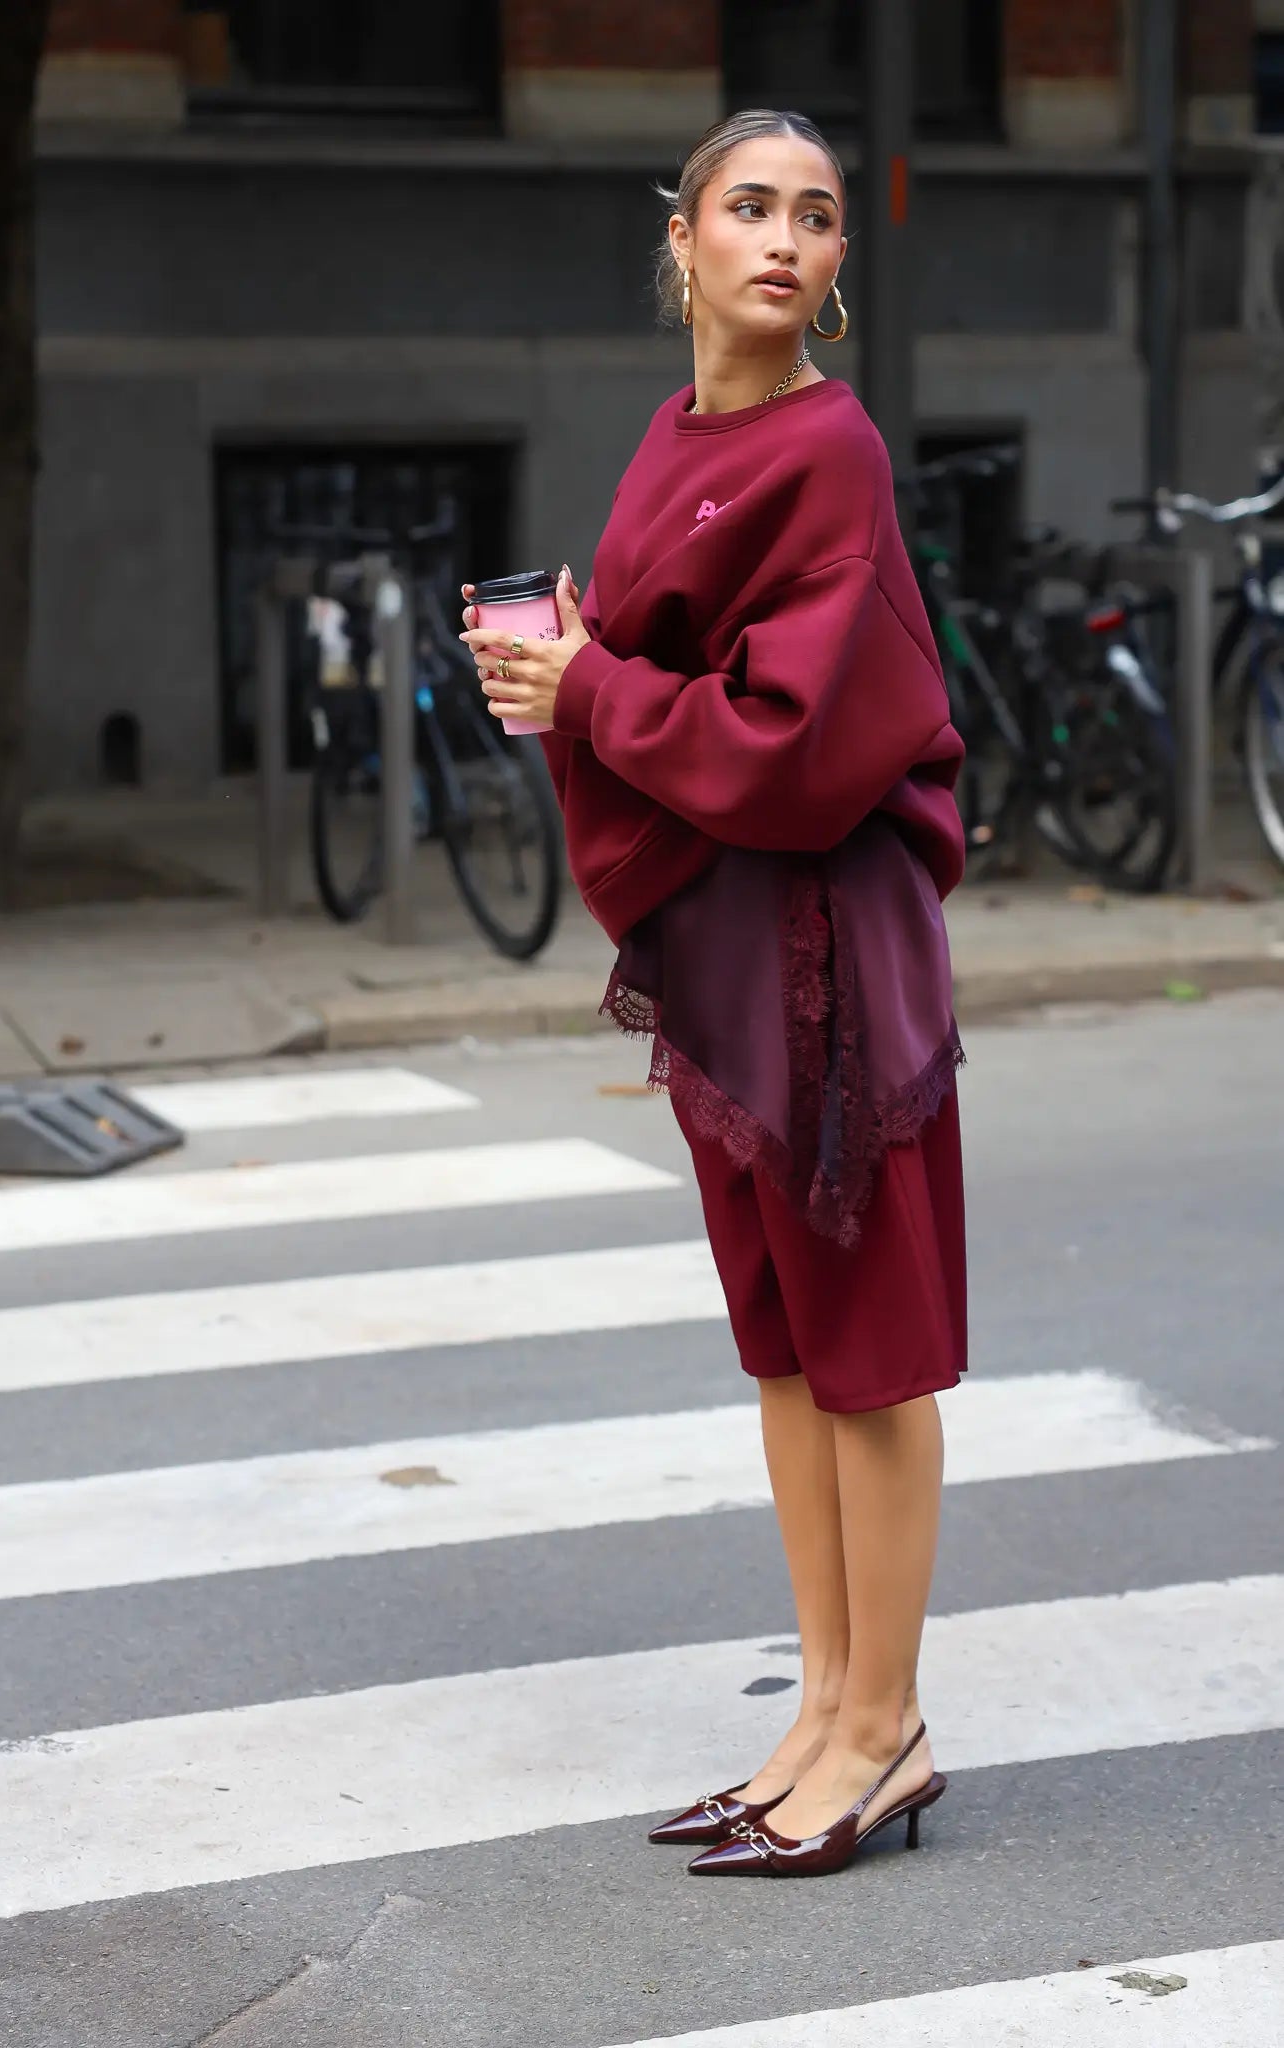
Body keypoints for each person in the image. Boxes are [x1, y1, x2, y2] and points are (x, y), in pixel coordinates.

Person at [459, 107, 966, 1882]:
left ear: (835, 267)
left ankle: (885, 1729)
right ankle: (820, 1708)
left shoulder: (831, 447)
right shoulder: (672, 439)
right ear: (679, 240)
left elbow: (798, 740)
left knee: (864, 1348)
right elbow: (670, 682)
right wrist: (570, 665)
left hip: (822, 940)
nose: (783, 239)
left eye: (814, 217)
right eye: (748, 207)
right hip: (727, 938)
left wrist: (594, 690)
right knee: (784, 1343)